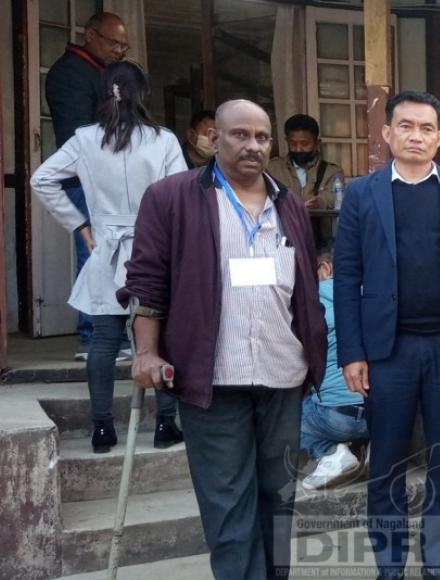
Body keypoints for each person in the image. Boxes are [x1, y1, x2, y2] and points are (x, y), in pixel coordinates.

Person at [119, 99, 328, 580]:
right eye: (239, 135)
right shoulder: (171, 197)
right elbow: (147, 283)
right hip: (212, 376)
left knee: (279, 497)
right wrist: (147, 351)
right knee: (229, 506)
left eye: (261, 137)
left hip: (282, 373)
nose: (252, 146)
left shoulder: (288, 205)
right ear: (214, 138)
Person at [334, 90, 440, 580]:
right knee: (385, 460)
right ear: (387, 133)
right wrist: (352, 353)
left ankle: (437, 562)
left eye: (426, 128)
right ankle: (390, 565)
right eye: (405, 126)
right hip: (388, 352)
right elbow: (346, 276)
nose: (416, 135)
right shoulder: (364, 194)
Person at [31, 61, 185, 453]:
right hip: (154, 248)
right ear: (143, 94)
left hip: (106, 249)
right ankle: (166, 423)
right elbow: (180, 196)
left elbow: (41, 179)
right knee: (159, 336)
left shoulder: (85, 138)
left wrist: (80, 226)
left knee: (103, 339)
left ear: (104, 94)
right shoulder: (162, 139)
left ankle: (103, 430)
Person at [45, 11, 129, 361]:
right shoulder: (70, 73)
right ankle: (93, 337)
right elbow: (77, 135)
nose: (120, 51)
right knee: (96, 256)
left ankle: (108, 336)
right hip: (86, 181)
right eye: (114, 43)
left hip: (107, 181)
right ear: (90, 35)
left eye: (124, 45)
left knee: (112, 257)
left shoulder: (102, 72)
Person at [299, 243, 370, 491]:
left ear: (325, 267)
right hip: (378, 414)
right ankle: (371, 448)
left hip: (336, 417)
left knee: (288, 416)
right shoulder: (370, 296)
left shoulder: (313, 304)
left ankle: (330, 454)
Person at [268, 114, 347, 210]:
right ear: (287, 141)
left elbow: (334, 197)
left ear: (317, 143)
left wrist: (319, 202)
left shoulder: (332, 172)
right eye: (292, 143)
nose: (298, 149)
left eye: (304, 143)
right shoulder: (272, 168)